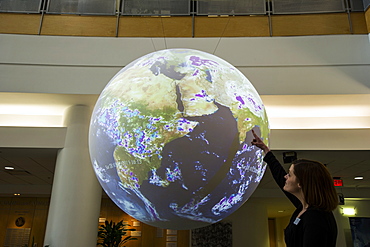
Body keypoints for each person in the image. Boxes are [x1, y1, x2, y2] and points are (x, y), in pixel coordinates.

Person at [251, 130, 338, 247]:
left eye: (290, 174)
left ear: (300, 183)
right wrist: (266, 151)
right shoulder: (304, 208)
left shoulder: (315, 218)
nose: (286, 177)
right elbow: (280, 178)